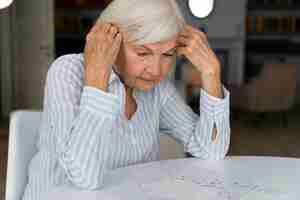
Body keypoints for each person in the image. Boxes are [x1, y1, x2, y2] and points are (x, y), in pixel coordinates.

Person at [22, 0, 230, 199]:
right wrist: (97, 78)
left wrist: (211, 72)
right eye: (142, 53)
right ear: (110, 40)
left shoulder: (157, 90)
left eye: (167, 55)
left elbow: (211, 150)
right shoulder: (67, 71)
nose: (156, 70)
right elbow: (84, 178)